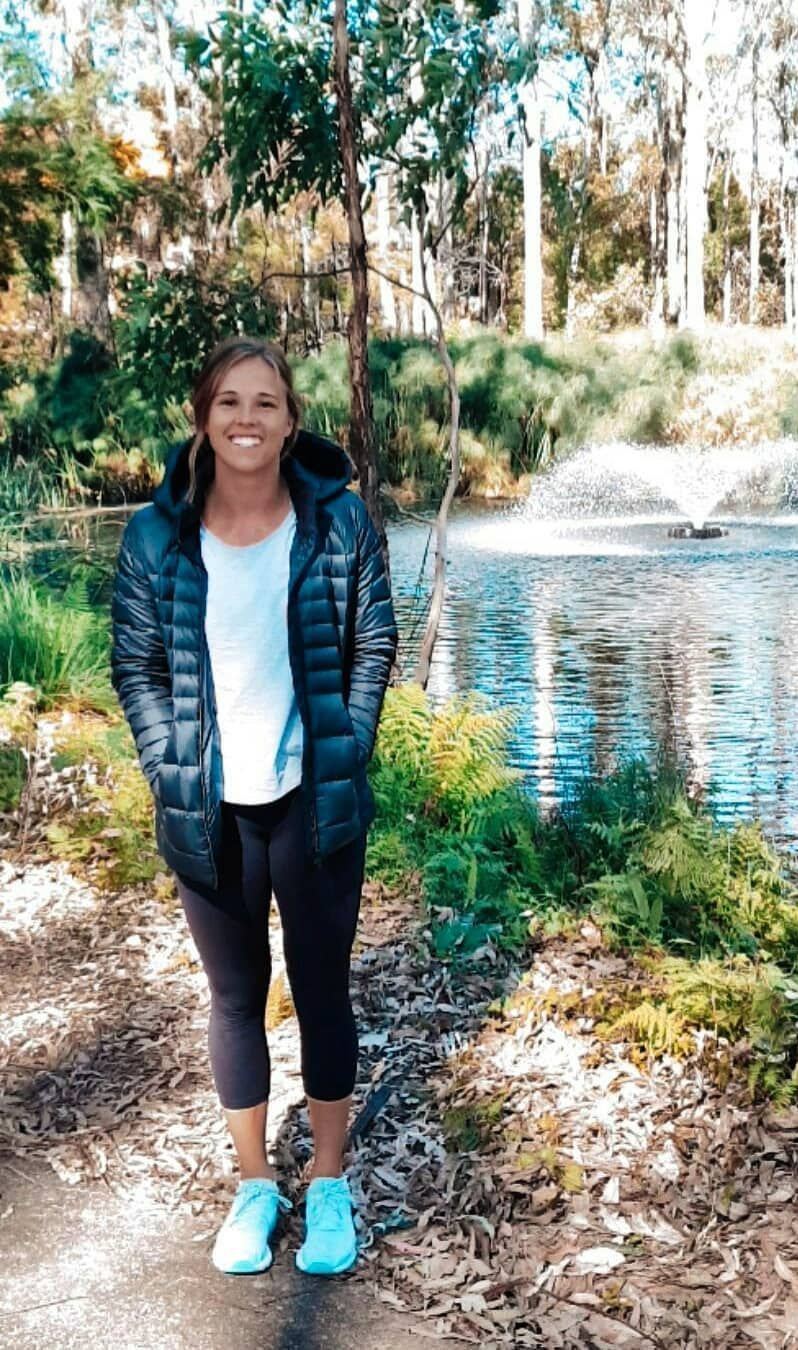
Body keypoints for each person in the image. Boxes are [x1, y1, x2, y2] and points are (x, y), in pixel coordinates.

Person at [111, 336, 397, 1277]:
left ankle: (328, 1182)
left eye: (265, 402)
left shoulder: (337, 522)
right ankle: (253, 1184)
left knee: (321, 991)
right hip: (209, 810)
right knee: (235, 1000)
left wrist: (349, 742)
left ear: (290, 420)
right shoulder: (155, 536)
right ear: (203, 416)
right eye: (229, 400)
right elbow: (138, 667)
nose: (247, 418)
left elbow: (373, 641)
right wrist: (167, 765)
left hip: (314, 802)